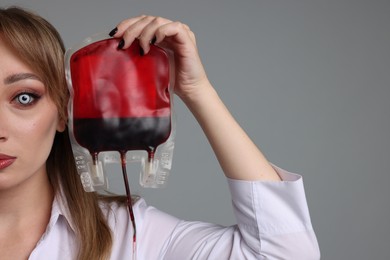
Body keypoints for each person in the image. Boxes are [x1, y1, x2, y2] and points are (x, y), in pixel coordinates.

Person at [0, 6, 320, 260]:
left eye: (24, 97)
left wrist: (197, 90)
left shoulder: (128, 235)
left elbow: (283, 253)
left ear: (63, 111)